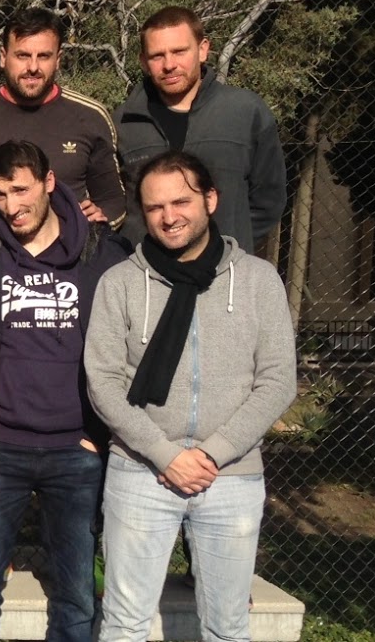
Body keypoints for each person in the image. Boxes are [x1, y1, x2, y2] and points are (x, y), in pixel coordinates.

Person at [84, 151, 296, 641]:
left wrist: (212, 453)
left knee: (227, 627)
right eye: (155, 207)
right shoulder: (120, 283)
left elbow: (278, 381)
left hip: (231, 475)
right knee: (123, 624)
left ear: (210, 200)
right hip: (141, 470)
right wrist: (165, 455)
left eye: (181, 201)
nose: (169, 216)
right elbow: (103, 382)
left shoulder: (258, 280)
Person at [0, 141, 130, 642]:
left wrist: (101, 431)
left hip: (76, 447)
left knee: (75, 595)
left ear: (50, 182)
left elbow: (129, 345)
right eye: (0, 194)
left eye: (22, 190)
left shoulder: (102, 254)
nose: (12, 206)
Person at [115, 6, 287, 250]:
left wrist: (228, 247)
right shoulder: (123, 122)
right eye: (157, 56)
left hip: (223, 267)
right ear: (144, 62)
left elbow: (269, 199)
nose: (169, 64)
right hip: (146, 267)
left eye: (179, 51)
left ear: (203, 49)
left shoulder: (245, 112)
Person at [0, 7, 122, 227]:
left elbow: (112, 200)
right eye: (23, 56)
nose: (33, 67)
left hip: (70, 246)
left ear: (58, 59)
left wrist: (99, 223)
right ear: (3, 57)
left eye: (44, 56)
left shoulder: (90, 117)